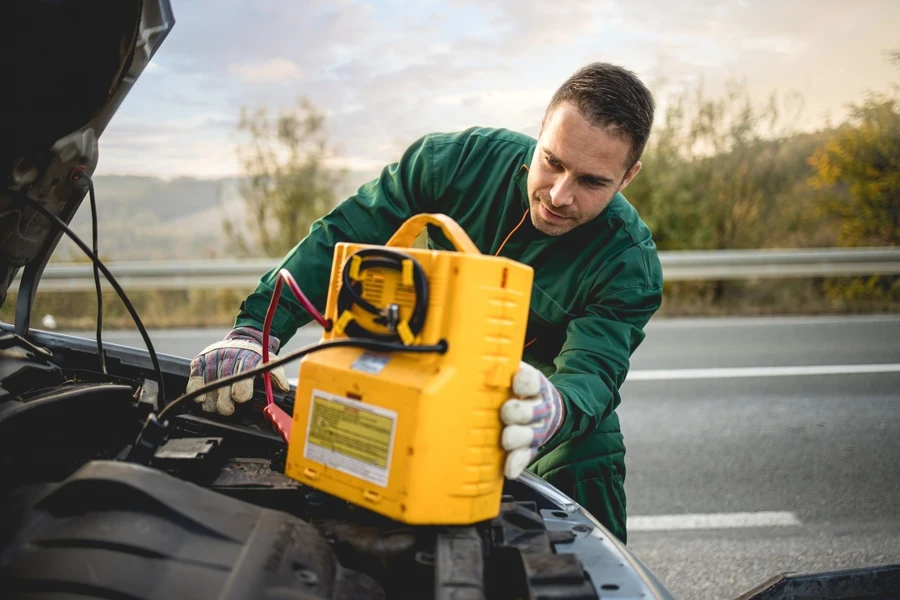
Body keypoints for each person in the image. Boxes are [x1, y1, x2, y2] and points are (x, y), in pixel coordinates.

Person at [187, 62, 663, 544]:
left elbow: (593, 370)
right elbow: (346, 234)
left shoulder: (628, 261)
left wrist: (556, 410)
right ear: (539, 132)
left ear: (627, 177)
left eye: (592, 182)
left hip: (524, 386)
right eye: (552, 162)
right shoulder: (456, 162)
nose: (559, 196)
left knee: (588, 446)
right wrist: (254, 333)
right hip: (420, 348)